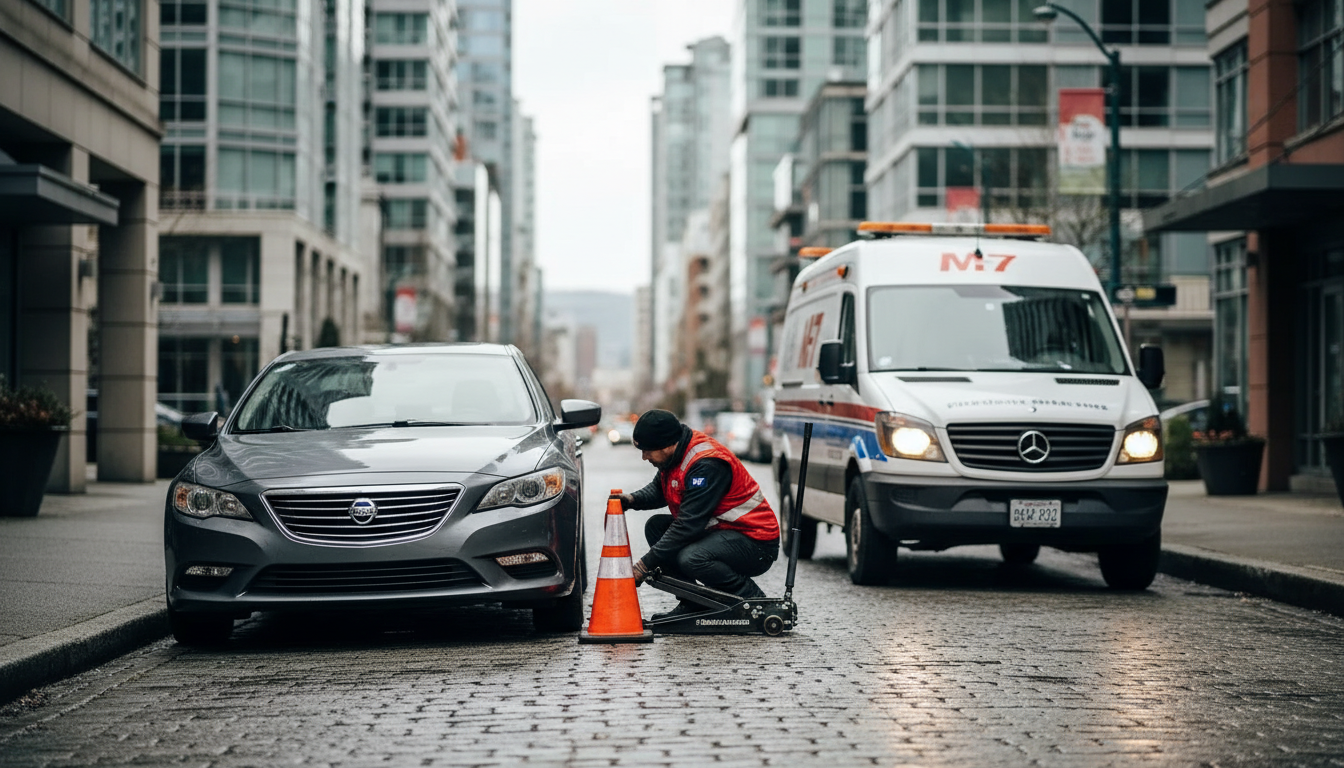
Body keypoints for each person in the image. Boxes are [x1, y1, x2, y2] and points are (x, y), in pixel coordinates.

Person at [617, 409, 780, 619]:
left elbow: (687, 526)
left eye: (647, 451)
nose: (644, 457)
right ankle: (692, 602)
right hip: (723, 532)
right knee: (656, 527)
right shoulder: (675, 455)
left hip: (755, 543)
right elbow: (660, 490)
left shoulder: (706, 464)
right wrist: (632, 500)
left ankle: (754, 601)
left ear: (666, 445)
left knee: (692, 558)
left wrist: (643, 565)